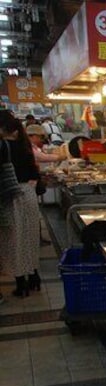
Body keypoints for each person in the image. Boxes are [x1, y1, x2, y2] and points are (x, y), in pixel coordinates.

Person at [0, 111, 41, 298]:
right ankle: (34, 277)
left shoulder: (2, 146)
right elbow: (34, 174)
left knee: (14, 240)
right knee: (31, 237)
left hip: (10, 197)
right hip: (28, 194)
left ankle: (21, 283)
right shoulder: (25, 145)